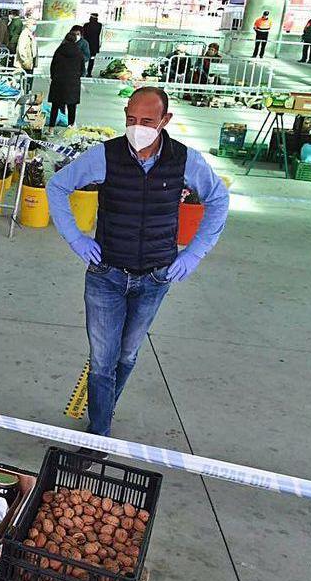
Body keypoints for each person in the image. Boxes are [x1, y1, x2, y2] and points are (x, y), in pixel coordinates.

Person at [45, 87, 229, 456]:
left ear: (165, 121)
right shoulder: (105, 156)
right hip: (106, 275)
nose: (137, 128)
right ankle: (99, 433)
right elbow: (57, 185)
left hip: (156, 278)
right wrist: (77, 239)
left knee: (126, 355)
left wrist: (192, 255)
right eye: (131, 119)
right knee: (102, 358)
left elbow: (218, 199)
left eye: (147, 122)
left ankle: (104, 408)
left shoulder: (185, 161)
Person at [48, 32, 83, 128]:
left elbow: (53, 66)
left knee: (55, 107)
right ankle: (70, 126)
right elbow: (82, 69)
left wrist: (54, 77)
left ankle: (51, 128)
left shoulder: (59, 50)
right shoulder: (79, 52)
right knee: (72, 107)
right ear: (76, 40)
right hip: (73, 83)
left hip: (58, 82)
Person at [82, 12, 103, 76]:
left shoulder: (86, 25)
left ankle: (82, 71)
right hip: (94, 46)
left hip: (85, 44)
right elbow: (100, 36)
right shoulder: (100, 25)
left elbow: (82, 35)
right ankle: (89, 73)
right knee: (92, 59)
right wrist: (99, 44)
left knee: (82, 58)